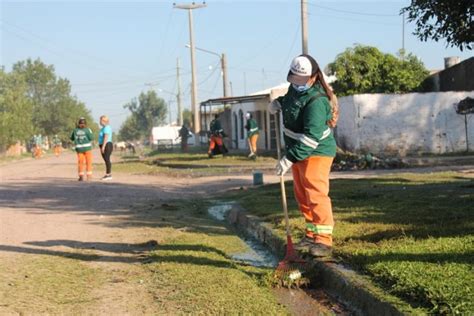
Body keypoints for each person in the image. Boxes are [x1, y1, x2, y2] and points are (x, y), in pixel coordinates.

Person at [269, 54, 339, 257]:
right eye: (295, 79)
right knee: (302, 194)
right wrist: (280, 103)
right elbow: (293, 101)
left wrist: (289, 159)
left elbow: (310, 139)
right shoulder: (297, 87)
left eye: (302, 80)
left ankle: (324, 241)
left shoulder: (317, 101)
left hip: (316, 151)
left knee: (315, 192)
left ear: (313, 77)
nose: (297, 84)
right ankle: (311, 234)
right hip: (298, 150)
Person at [98, 115, 113, 181]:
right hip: (103, 145)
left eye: (100, 120)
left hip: (107, 145)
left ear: (104, 120)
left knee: (107, 159)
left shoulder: (107, 127)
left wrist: (103, 146)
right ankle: (108, 174)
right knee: (106, 160)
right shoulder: (103, 128)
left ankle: (108, 174)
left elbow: (106, 137)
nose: (99, 122)